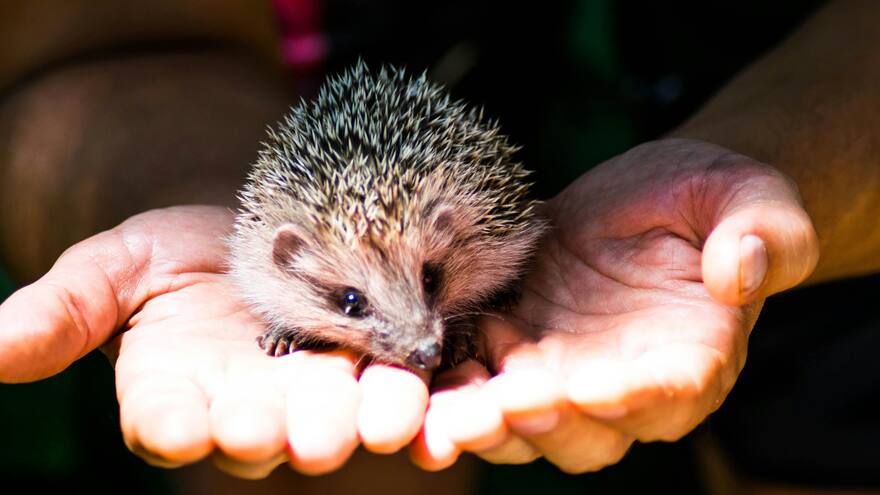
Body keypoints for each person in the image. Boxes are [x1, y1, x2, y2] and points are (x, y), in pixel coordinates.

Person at [0, 0, 878, 493]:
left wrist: (792, 153)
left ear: (451, 236)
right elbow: (112, 42)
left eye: (427, 279)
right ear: (283, 266)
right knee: (310, 462)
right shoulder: (268, 268)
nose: (417, 332)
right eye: (349, 305)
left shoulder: (471, 230)